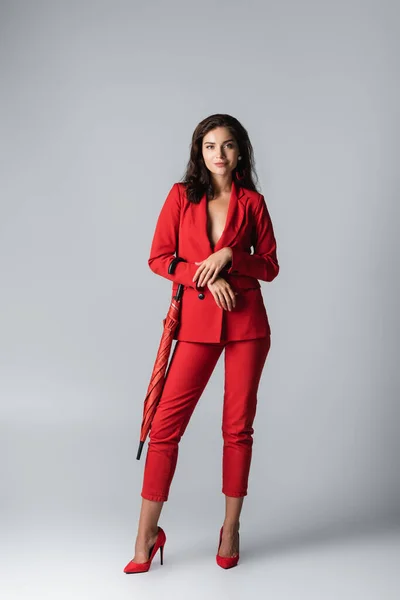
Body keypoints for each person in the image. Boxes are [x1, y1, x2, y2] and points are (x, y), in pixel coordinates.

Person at [124, 113, 279, 573]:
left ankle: (230, 528)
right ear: (199, 151)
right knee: (165, 426)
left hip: (248, 324)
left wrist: (232, 256)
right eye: (210, 145)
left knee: (237, 428)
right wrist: (203, 276)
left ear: (240, 152)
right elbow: (158, 257)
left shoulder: (254, 202)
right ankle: (147, 534)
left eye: (228, 145)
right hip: (196, 323)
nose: (219, 154)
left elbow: (269, 266)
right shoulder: (181, 197)